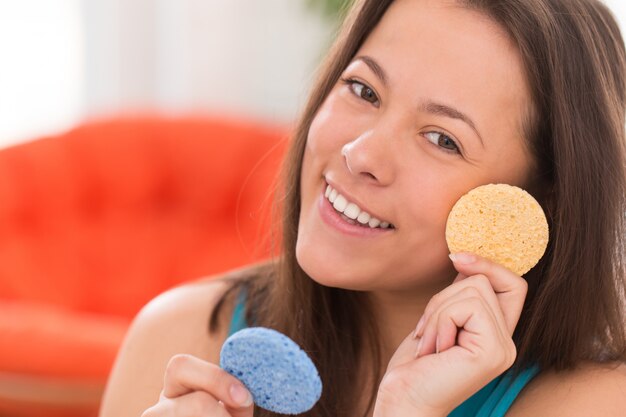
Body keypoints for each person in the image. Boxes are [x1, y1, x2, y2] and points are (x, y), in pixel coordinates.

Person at [99, 0, 626, 416]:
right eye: (363, 89)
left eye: (441, 139)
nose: (360, 154)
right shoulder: (180, 336)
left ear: (528, 210)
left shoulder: (593, 403)